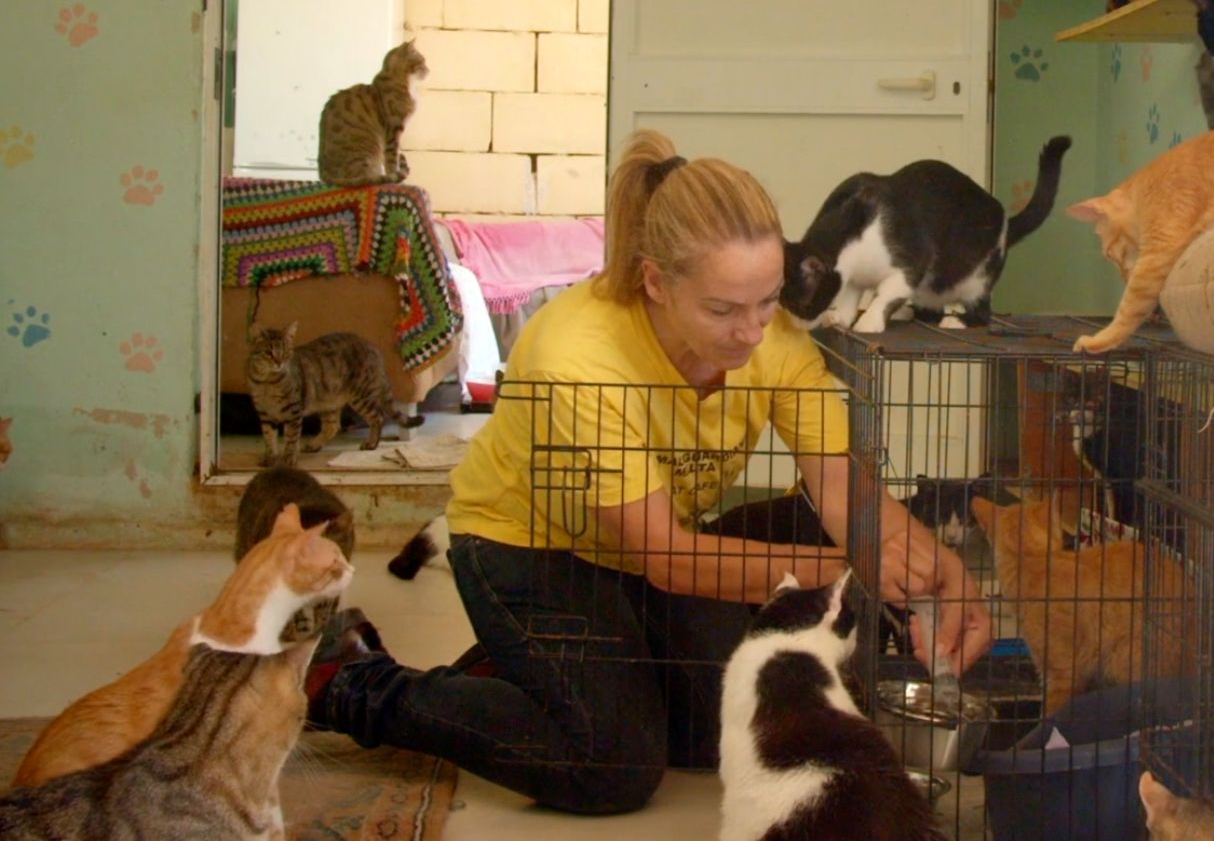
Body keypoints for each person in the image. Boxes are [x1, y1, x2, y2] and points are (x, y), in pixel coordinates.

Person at [307, 130, 992, 815]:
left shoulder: (772, 337)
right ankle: (352, 679)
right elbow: (667, 557)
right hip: (527, 549)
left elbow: (837, 480)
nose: (753, 332)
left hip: (646, 547)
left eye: (767, 300)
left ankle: (540, 673)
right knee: (613, 765)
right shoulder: (581, 353)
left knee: (719, 729)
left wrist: (938, 568)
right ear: (656, 282)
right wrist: (855, 568)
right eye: (722, 309)